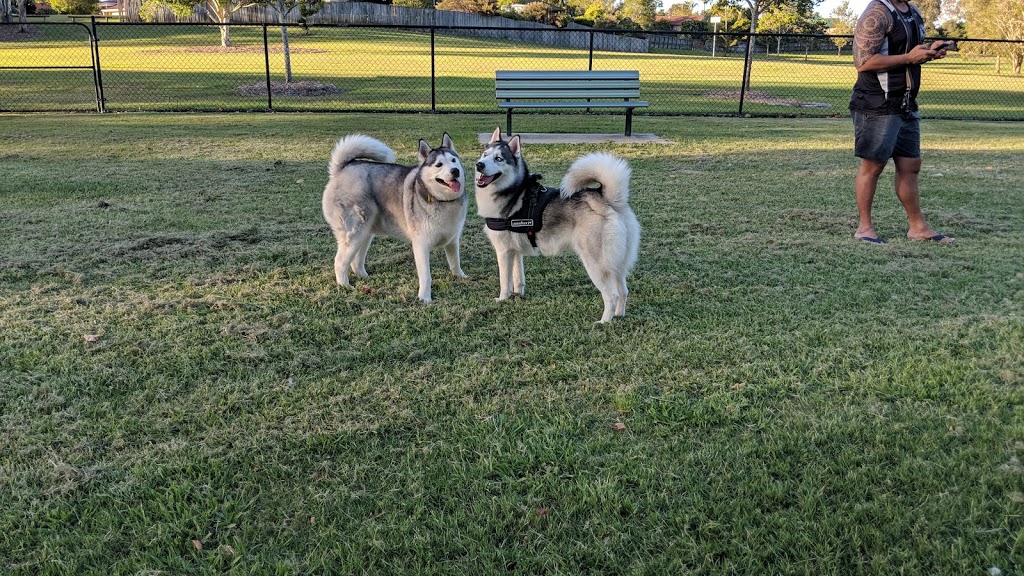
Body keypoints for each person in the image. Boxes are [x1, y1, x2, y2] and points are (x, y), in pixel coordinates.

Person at [849, 0, 955, 244]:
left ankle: (918, 228)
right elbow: (863, 62)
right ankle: (864, 228)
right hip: (877, 103)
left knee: (910, 166)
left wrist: (929, 52)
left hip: (906, 103)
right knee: (873, 167)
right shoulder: (877, 12)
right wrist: (909, 57)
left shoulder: (914, 11)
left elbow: (910, 54)